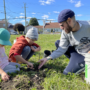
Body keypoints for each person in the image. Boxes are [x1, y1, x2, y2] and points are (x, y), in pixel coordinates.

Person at [38, 9, 90, 75]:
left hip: (87, 56)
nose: (61, 28)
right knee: (58, 43)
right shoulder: (65, 32)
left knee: (66, 73)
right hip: (78, 52)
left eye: (62, 25)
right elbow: (62, 48)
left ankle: (81, 64)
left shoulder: (88, 26)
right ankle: (75, 61)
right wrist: (47, 58)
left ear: (69, 21)